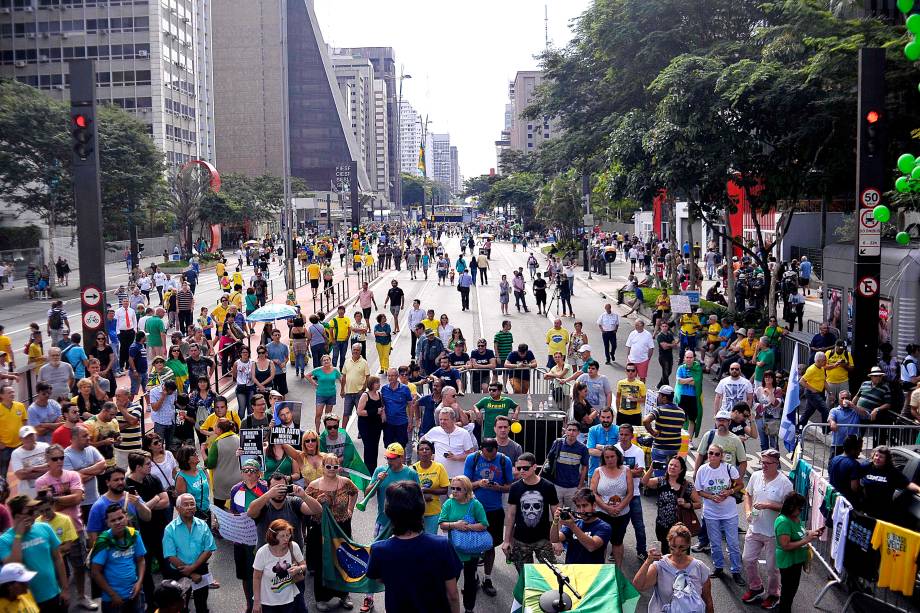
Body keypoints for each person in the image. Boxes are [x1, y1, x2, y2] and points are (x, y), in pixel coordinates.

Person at [366, 481, 462, 613]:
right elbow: (452, 595)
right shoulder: (442, 546)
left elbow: (380, 578)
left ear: (388, 511)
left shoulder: (379, 550)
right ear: (421, 509)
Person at [739, 448, 791, 608]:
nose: (763, 465)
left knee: (772, 568)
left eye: (768, 463)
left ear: (777, 464)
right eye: (762, 462)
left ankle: (774, 594)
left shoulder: (785, 484)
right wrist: (747, 511)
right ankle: (756, 587)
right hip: (755, 528)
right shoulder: (755, 476)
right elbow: (747, 494)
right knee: (747, 559)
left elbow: (790, 509)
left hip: (773, 533)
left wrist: (769, 505)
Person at [0, 495, 70, 612]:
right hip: (27, 602)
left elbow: (58, 559)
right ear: (17, 516)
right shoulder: (4, 541)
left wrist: (65, 589)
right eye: (30, 511)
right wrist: (19, 535)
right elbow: (14, 566)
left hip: (54, 595)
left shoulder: (45, 528)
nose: (36, 514)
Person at [632, 523, 715, 613]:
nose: (677, 552)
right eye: (673, 547)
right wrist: (648, 562)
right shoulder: (660, 566)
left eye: (681, 548)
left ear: (688, 545)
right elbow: (638, 586)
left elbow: (708, 601)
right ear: (669, 544)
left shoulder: (700, 567)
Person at [695, 443, 745, 585]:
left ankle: (736, 571)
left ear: (722, 456)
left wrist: (729, 492)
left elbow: (740, 485)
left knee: (733, 543)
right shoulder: (702, 470)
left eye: (717, 454)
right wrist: (711, 497)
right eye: (710, 453)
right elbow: (699, 491)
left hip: (729, 513)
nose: (713, 456)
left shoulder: (729, 469)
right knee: (715, 543)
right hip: (711, 514)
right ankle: (718, 568)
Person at [438, 476, 489, 613]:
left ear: (466, 489)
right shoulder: (449, 503)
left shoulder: (475, 504)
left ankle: (469, 608)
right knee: (450, 582)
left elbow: (484, 524)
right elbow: (442, 524)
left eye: (458, 489)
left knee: (470, 582)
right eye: (452, 488)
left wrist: (466, 527)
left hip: (471, 550)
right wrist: (455, 525)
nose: (454, 491)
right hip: (452, 550)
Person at [502, 452, 558, 575]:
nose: (522, 471)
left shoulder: (548, 486)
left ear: (534, 467)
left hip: (543, 538)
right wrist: (506, 540)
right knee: (524, 576)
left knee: (551, 574)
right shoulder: (515, 487)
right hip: (520, 539)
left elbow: (556, 515)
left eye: (525, 468)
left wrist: (557, 540)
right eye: (518, 468)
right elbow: (511, 515)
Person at [162, 494, 217, 613]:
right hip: (179, 572)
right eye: (185, 504)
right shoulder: (170, 529)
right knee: (181, 606)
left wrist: (192, 568)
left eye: (192, 504)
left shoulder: (203, 525)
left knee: (201, 603)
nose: (190, 507)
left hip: (201, 570)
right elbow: (170, 556)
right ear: (177, 509)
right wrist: (191, 574)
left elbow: (208, 550)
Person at [89, 504, 147, 613]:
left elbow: (141, 560)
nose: (117, 522)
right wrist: (113, 594)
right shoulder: (104, 541)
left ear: (126, 517)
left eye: (120, 518)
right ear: (107, 523)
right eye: (113, 520)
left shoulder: (134, 535)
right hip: (112, 600)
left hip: (135, 593)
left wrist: (139, 583)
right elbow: (95, 572)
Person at [774, 493, 822, 613]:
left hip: (797, 561)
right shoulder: (783, 522)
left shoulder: (795, 518)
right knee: (788, 593)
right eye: (799, 508)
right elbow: (785, 545)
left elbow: (799, 531)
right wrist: (806, 540)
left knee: (791, 591)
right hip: (788, 562)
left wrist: (810, 532)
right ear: (791, 507)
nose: (801, 511)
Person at [589, 445, 632, 566]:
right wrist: (606, 507)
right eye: (607, 457)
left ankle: (618, 570)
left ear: (618, 456)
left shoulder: (626, 470)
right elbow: (593, 492)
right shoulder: (598, 471)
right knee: (600, 543)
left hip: (622, 514)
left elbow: (630, 493)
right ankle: (601, 570)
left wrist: (619, 508)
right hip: (602, 513)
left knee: (617, 542)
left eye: (612, 456)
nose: (610, 459)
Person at [251, 518, 306, 613]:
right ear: (273, 536)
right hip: (268, 602)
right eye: (282, 536)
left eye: (288, 535)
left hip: (289, 599)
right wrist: (256, 602)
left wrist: (299, 569)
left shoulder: (293, 546)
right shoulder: (262, 553)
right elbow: (256, 578)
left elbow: (304, 565)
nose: (286, 539)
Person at [859, 445, 920, 523]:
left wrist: (918, 489)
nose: (877, 458)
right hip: (866, 511)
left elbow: (907, 484)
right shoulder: (866, 467)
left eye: (881, 457)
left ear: (886, 460)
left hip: (884, 514)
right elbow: (854, 478)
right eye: (876, 455)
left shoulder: (892, 472)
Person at [549, 488, 611, 564]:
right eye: (578, 506)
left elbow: (592, 546)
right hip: (572, 569)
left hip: (593, 571)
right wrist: (555, 521)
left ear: (594, 505)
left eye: (585, 505)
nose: (581, 510)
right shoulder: (575, 522)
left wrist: (573, 526)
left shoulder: (604, 527)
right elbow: (554, 539)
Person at [424, 407, 477, 479]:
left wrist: (456, 457)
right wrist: (429, 454)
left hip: (458, 478)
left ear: (453, 420)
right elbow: (422, 442)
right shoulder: (435, 431)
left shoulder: (463, 433)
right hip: (439, 476)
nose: (442, 422)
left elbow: (471, 454)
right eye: (440, 419)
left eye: (445, 419)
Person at [546, 421, 589, 508]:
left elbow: (585, 467)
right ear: (565, 431)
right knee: (556, 517)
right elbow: (548, 460)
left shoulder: (583, 448)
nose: (571, 432)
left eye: (574, 430)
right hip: (557, 485)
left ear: (578, 433)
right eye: (569, 430)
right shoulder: (558, 443)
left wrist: (580, 486)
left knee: (572, 516)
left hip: (573, 487)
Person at [412, 439, 450, 535]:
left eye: (427, 449)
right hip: (416, 513)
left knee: (430, 540)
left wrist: (428, 490)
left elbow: (445, 489)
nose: (424, 451)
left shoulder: (439, 467)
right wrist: (422, 495)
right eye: (421, 449)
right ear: (418, 452)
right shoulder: (412, 469)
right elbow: (408, 490)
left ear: (432, 452)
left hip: (433, 512)